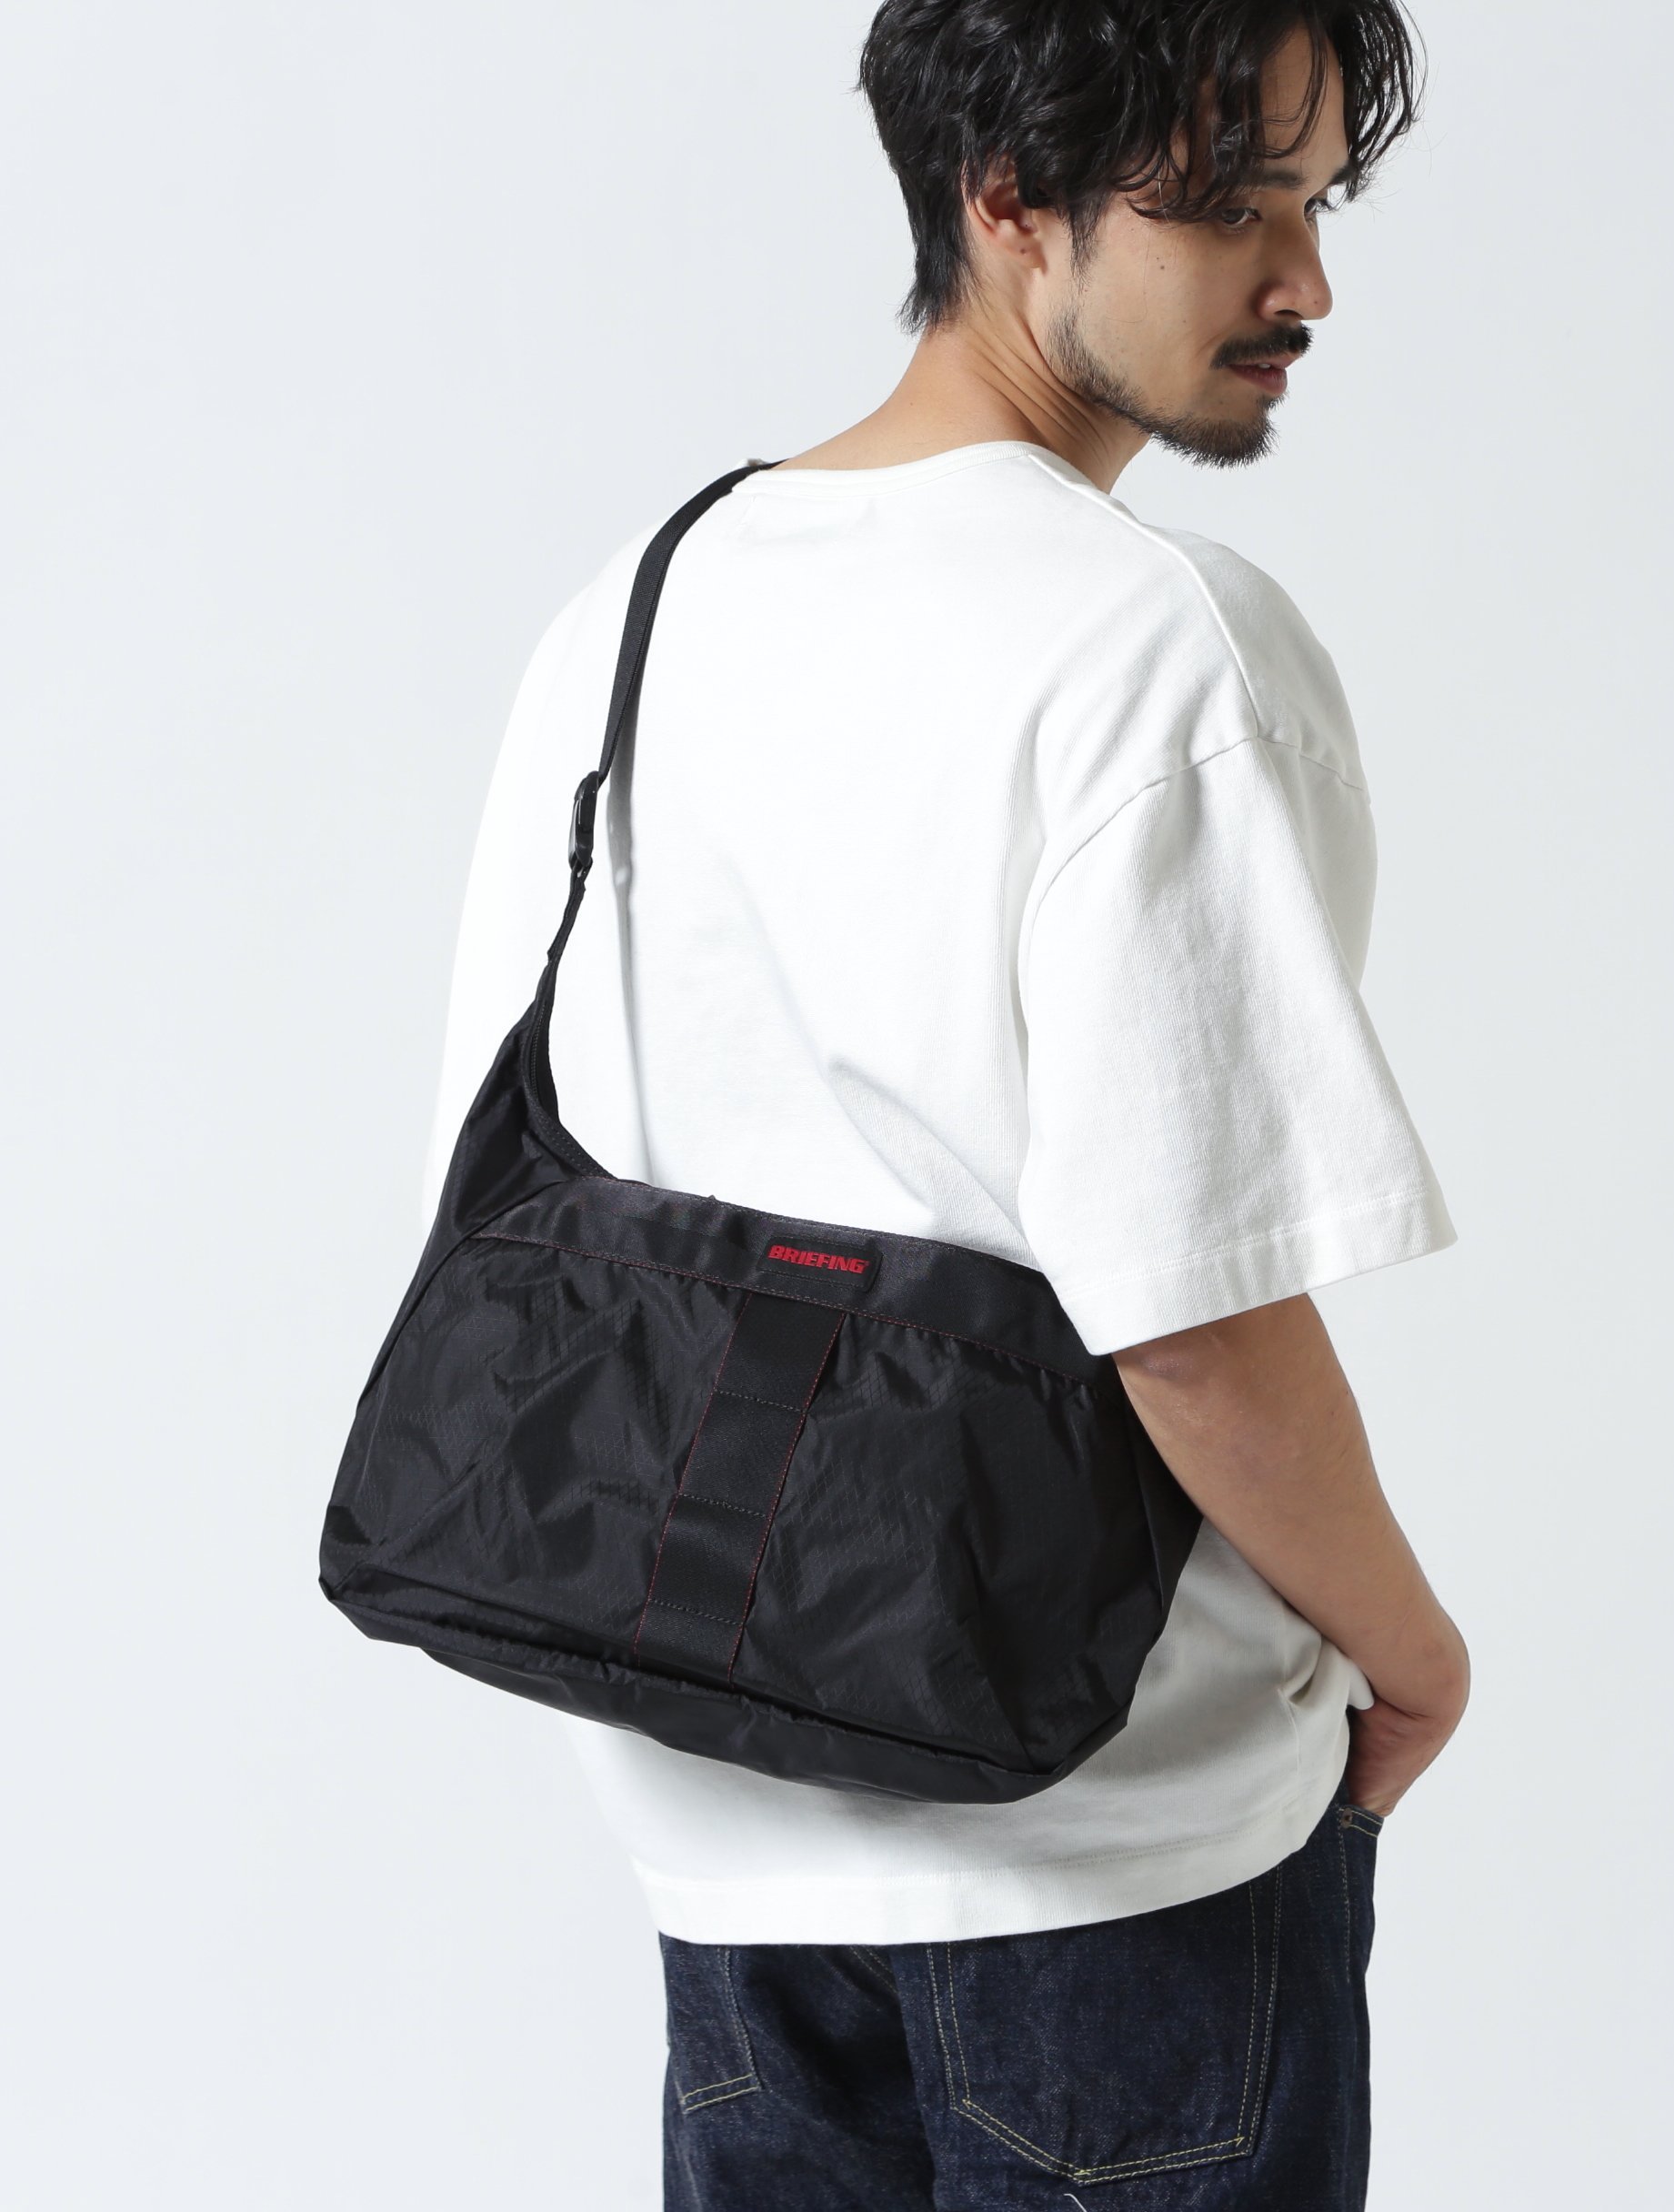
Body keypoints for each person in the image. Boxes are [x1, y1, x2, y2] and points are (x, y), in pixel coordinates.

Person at [423, 3, 1470, 2204]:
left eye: (1312, 202)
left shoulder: (640, 602)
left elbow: (523, 1171)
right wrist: (1406, 1650)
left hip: (720, 1824)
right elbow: (1192, 1318)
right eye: (1228, 203)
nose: (1303, 279)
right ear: (1006, 198)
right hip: (1114, 1835)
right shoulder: (1158, 646)